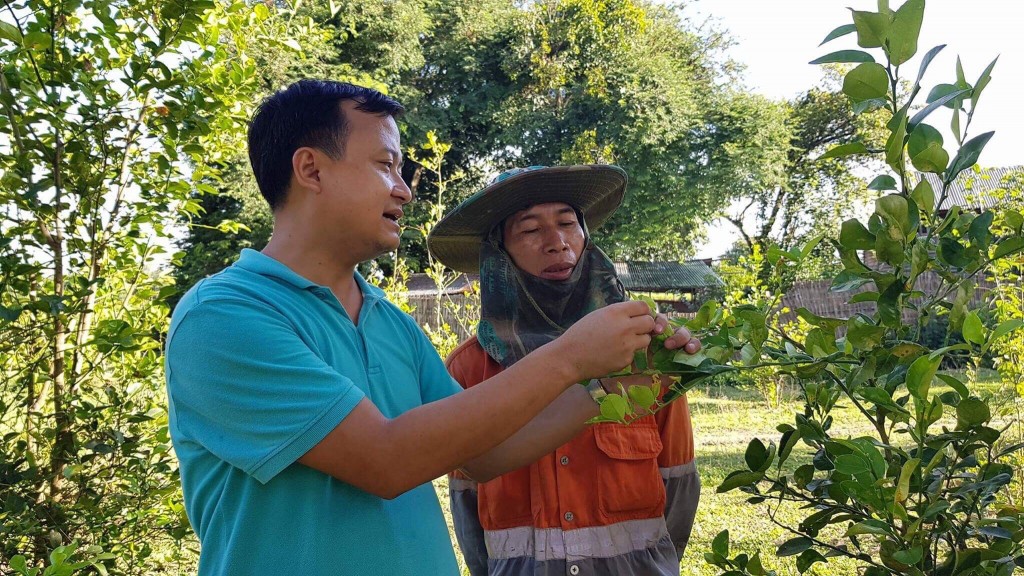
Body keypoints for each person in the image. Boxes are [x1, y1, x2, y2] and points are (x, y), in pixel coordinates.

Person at [163, 80, 693, 576]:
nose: (404, 191)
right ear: (312, 170)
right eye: (385, 165)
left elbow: (483, 456)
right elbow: (385, 460)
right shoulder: (225, 316)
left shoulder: (390, 322)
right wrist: (571, 357)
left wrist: (606, 388)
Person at [427, 165, 702, 576]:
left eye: (568, 224)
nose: (557, 243)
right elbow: (467, 500)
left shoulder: (645, 350)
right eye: (530, 230)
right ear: (499, 251)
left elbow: (679, 483)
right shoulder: (470, 366)